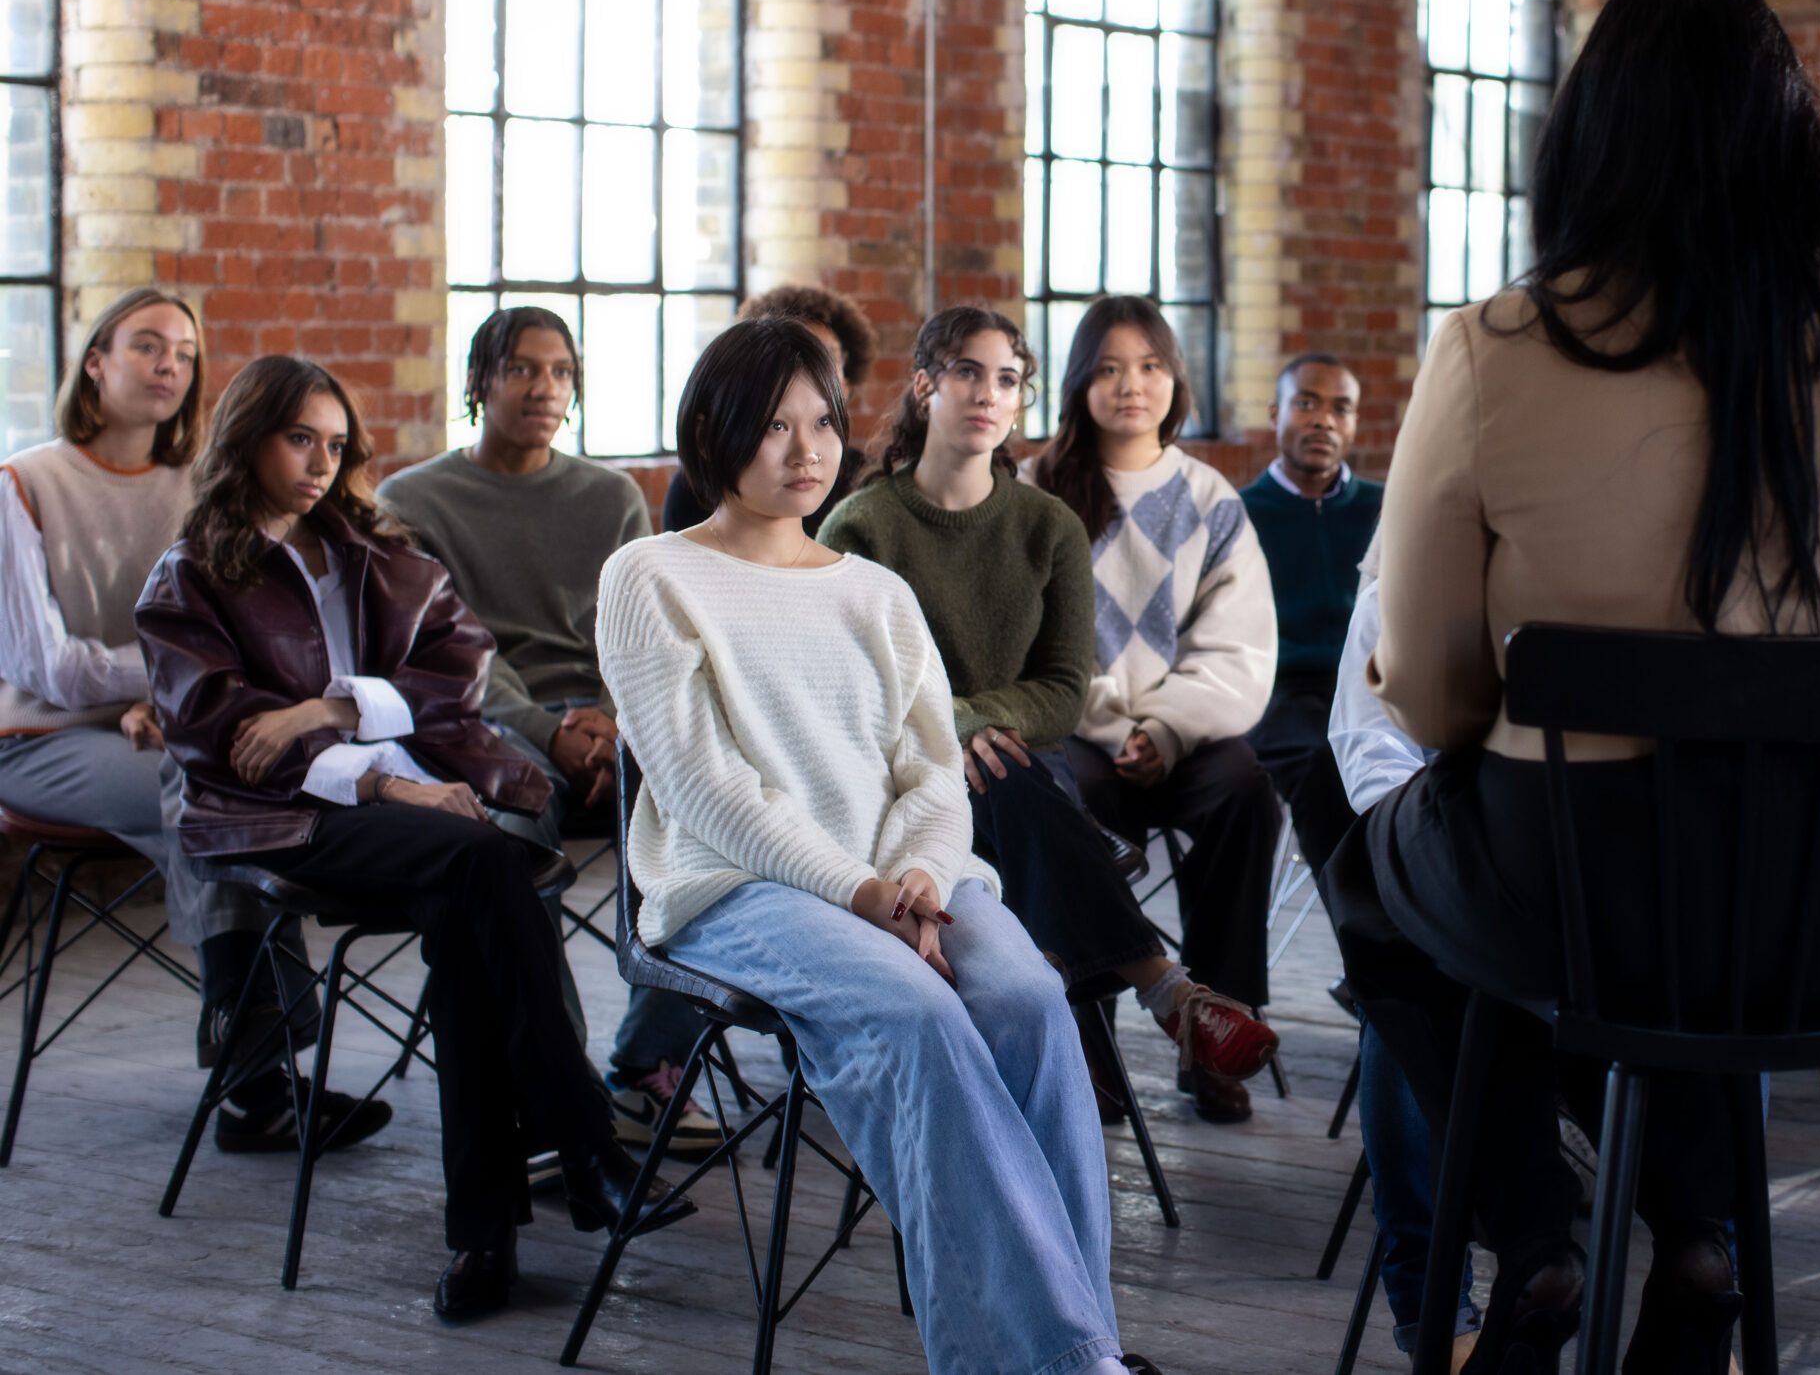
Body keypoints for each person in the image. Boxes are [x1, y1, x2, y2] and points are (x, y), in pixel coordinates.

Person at [1325, 0, 1820, 1375]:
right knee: (1700, 919)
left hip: (1584, 888)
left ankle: (1539, 1227)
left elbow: (1436, 704)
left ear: (1587, 139)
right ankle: (1702, 1230)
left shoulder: (1494, 349)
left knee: (1381, 875)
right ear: (1793, 135)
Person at [598, 318, 1162, 1375]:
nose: (804, 450)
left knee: (1031, 1002)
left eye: (819, 421)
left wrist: (917, 874)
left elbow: (929, 773)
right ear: (713, 435)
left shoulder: (872, 591)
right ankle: (1063, 1362)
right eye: (771, 426)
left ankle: (1082, 1348)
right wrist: (861, 892)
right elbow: (703, 789)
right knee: (914, 1013)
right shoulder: (651, 575)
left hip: (902, 878)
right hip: (741, 888)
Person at [135, 355, 677, 1321]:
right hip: (287, 821)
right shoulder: (188, 582)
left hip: (412, 812)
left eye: (335, 444)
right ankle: (585, 1142)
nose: (319, 462)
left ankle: (484, 1237)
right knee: (485, 861)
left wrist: (331, 707)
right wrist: (381, 773)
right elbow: (227, 743)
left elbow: (458, 668)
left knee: (470, 920)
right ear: (247, 438)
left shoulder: (370, 549)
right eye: (299, 436)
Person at [816, 306, 1277, 1113]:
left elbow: (1063, 687)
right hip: (893, 768)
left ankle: (1092, 1034)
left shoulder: (1046, 524)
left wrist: (983, 729)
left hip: (1020, 762)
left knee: (1017, 775)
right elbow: (853, 689)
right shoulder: (863, 524)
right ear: (924, 386)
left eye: (1005, 378)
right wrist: (956, 729)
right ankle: (1166, 992)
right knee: (1018, 778)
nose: (987, 394)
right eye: (966, 371)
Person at [0, 289, 350, 1150]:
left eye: (185, 354)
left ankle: (250, 1064)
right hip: (37, 739)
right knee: (203, 794)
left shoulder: (202, 487)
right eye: (147, 345)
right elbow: (43, 664)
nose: (169, 366)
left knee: (215, 783)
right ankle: (257, 1076)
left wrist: (179, 696)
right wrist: (171, 681)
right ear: (95, 361)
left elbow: (240, 635)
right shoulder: (23, 483)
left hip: (162, 727)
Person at [378, 306, 715, 1157]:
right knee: (510, 835)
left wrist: (614, 722)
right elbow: (438, 650)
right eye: (522, 369)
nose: (544, 388)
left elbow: (642, 630)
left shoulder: (607, 498)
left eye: (560, 370)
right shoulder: (412, 500)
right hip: (485, 719)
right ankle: (555, 1090)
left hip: (611, 714)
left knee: (716, 809)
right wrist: (547, 728)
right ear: (478, 382)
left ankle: (645, 1065)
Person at [1032, 295, 1286, 1124]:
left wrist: (1168, 727)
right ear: (1078, 383)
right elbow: (1033, 640)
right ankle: (1091, 1042)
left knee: (1245, 792)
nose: (1129, 384)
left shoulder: (1208, 496)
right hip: (1076, 727)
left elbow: (1237, 644)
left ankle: (1220, 1030)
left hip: (1182, 729)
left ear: (1176, 377)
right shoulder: (1036, 489)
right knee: (1071, 809)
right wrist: (1116, 727)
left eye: (1147, 365)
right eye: (1107, 367)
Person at [1328, 543, 1482, 1373]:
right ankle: (1436, 1311)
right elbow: (1373, 752)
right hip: (1464, 859)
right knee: (1403, 965)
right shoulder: (1417, 551)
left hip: (1619, 890)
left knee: (1719, 985)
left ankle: (1708, 1289)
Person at [1240, 352, 1381, 879]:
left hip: (1373, 684)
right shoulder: (1239, 513)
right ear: (1275, 414)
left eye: (1340, 408)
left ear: (1353, 424)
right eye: (1307, 404)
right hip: (1279, 695)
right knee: (1329, 766)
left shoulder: (1385, 508)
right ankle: (1371, 939)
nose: (1323, 419)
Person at [659, 283, 877, 534]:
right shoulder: (691, 493)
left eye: (825, 358)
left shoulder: (865, 478)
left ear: (845, 385)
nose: (807, 372)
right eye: (776, 426)